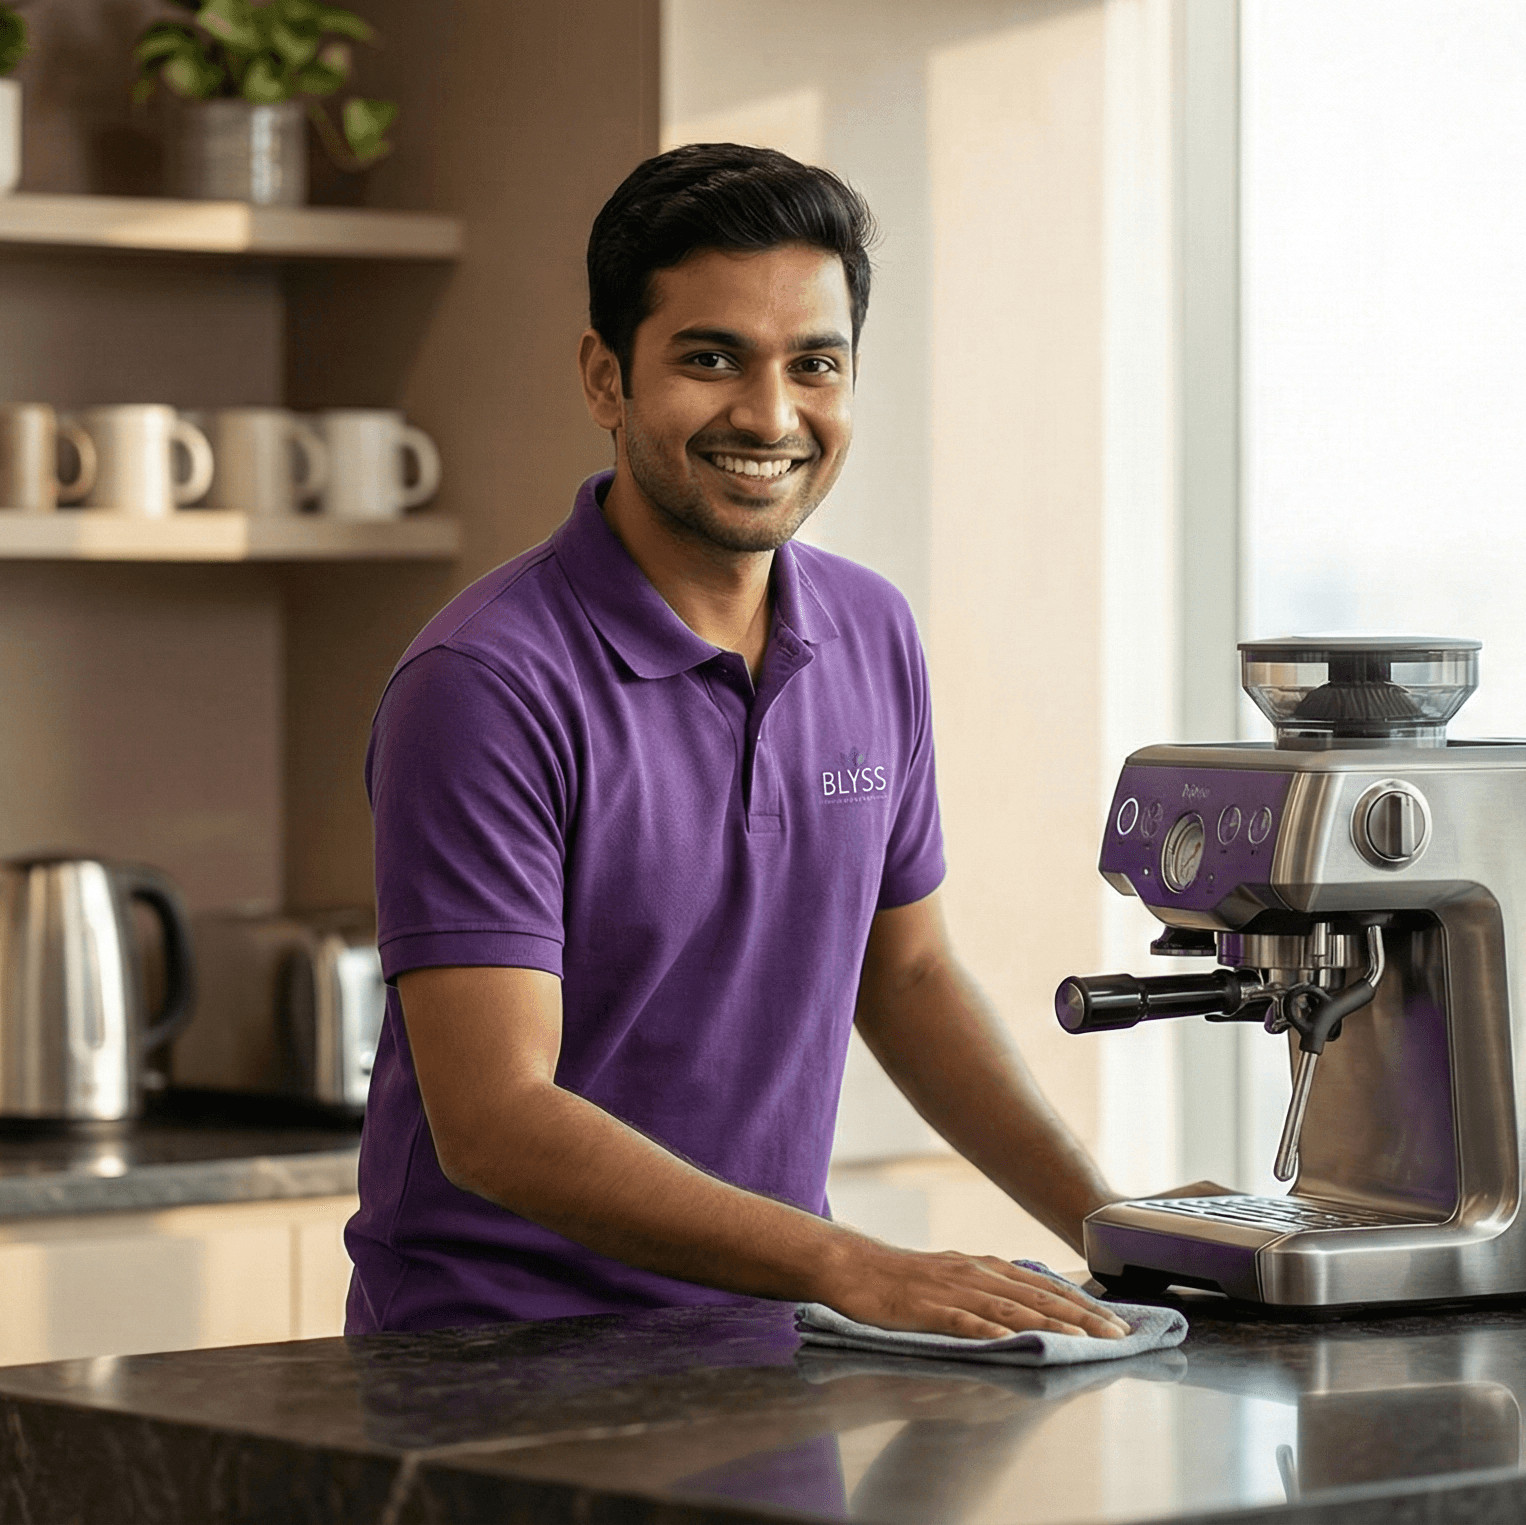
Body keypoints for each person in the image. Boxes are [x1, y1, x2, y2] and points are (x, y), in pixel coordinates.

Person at [345, 143, 1130, 1340]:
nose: (769, 415)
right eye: (710, 359)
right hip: (488, 1371)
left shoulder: (870, 630)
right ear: (605, 379)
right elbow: (495, 1116)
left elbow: (904, 974)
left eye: (812, 365)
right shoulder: (484, 684)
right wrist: (850, 1266)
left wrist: (1114, 1231)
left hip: (764, 1344)